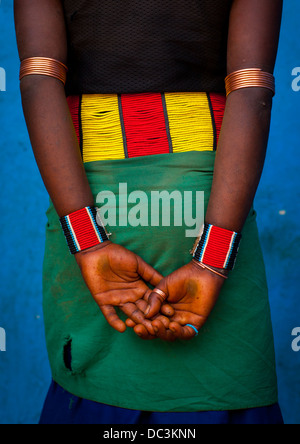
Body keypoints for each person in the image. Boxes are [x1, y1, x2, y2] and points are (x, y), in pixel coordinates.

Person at [14, 0, 284, 424]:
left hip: (90, 212)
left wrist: (88, 244)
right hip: (214, 213)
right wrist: (212, 263)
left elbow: (38, 77)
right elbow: (251, 90)